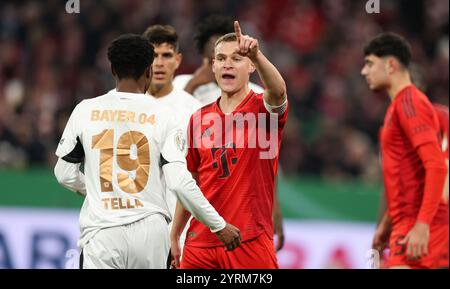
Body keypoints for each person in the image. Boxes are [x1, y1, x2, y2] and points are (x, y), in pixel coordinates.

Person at [54, 34, 241, 269]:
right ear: (148, 72)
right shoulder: (164, 115)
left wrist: (97, 189)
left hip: (103, 231)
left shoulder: (85, 110)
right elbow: (179, 182)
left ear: (112, 69)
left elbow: (64, 173)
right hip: (150, 232)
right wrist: (219, 225)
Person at [170, 21, 288, 269]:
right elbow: (191, 181)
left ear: (251, 66)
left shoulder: (263, 111)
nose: (227, 64)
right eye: (221, 58)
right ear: (213, 66)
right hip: (200, 242)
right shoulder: (199, 118)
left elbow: (278, 91)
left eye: (237, 58)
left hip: (250, 240)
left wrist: (256, 52)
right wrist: (175, 232)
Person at [361, 33, 448, 269]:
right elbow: (408, 179)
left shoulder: (410, 103)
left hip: (419, 229)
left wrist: (422, 225)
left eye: (369, 64)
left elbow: (437, 165)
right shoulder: (398, 107)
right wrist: (387, 224)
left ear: (390, 65)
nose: (363, 72)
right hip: (404, 226)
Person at [142, 24, 202, 249]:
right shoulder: (126, 106)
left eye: (166, 55)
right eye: (153, 55)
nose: (159, 63)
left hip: (178, 230)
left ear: (177, 60)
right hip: (133, 223)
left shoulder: (194, 111)